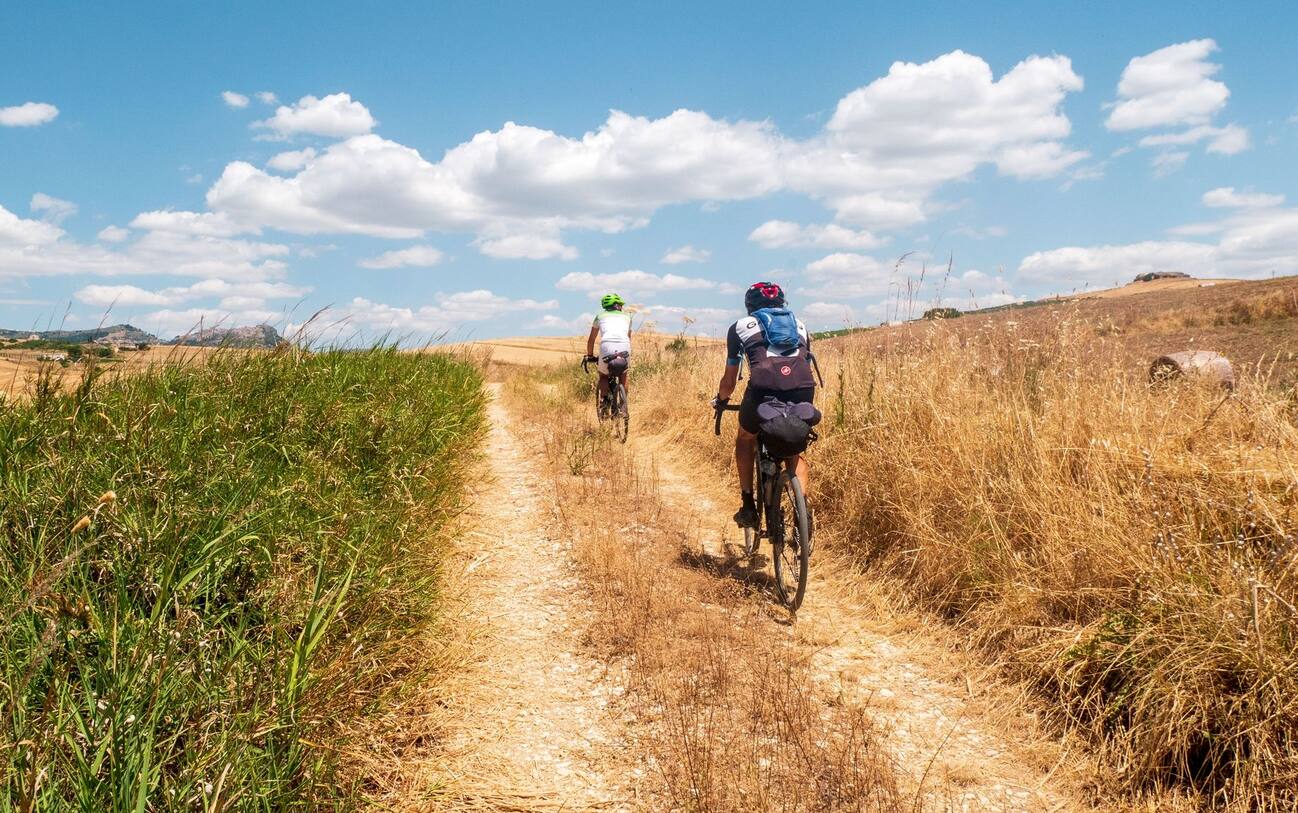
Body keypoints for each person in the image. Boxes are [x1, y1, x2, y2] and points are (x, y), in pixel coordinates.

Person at [712, 282, 816, 528]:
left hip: (762, 392)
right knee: (794, 451)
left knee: (745, 437)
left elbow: (730, 378)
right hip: (803, 389)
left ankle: (748, 505)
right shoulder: (801, 326)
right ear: (782, 304)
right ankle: (804, 516)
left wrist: (722, 400)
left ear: (750, 306)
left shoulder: (740, 327)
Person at [585, 293, 632, 415]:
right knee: (624, 375)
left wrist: (590, 355)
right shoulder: (628, 317)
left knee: (603, 376)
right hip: (624, 345)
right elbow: (628, 338)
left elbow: (591, 339)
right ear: (617, 305)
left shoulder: (599, 316)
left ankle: (604, 402)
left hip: (607, 345)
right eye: (621, 305)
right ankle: (623, 406)